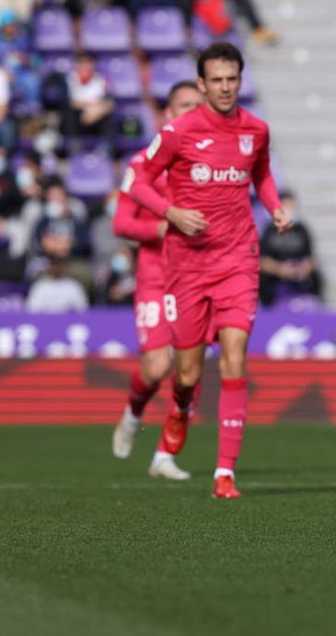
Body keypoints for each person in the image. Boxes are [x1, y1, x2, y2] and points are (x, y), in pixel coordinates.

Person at [124, 43, 291, 499]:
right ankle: (179, 408)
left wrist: (274, 207)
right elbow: (134, 182)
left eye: (231, 79)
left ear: (240, 80)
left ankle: (224, 473)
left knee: (235, 358)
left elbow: (261, 175)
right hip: (187, 265)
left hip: (238, 259)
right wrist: (171, 214)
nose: (224, 87)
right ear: (201, 84)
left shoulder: (255, 130)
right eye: (216, 80)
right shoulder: (178, 131)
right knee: (187, 374)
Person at [111, 80, 203, 481]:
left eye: (196, 106)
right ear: (167, 114)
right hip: (155, 276)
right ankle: (132, 414)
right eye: (183, 105)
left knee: (190, 371)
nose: (190, 112)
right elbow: (121, 223)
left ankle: (165, 455)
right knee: (155, 368)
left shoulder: (210, 161)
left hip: (197, 277)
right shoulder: (142, 163)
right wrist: (164, 228)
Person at [259, 191, 323, 306]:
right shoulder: (269, 230)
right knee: (262, 278)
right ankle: (267, 308)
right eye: (286, 205)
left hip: (297, 271)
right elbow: (262, 261)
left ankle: (315, 305)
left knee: (316, 277)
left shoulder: (302, 229)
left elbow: (312, 258)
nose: (290, 209)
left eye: (291, 205)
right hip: (276, 271)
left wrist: (304, 268)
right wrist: (280, 269)